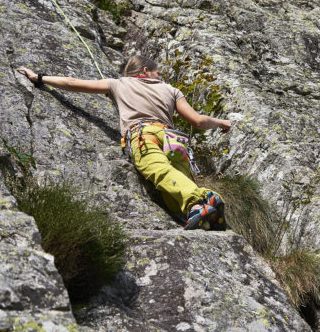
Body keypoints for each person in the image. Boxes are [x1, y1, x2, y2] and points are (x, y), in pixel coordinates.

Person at [17, 55, 231, 230]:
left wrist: (39, 77)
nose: (159, 76)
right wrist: (221, 121)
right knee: (173, 197)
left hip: (142, 135)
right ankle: (204, 214)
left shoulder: (118, 84)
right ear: (146, 70)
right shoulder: (171, 90)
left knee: (161, 172)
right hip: (173, 141)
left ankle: (200, 200)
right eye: (157, 71)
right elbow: (198, 121)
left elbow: (72, 83)